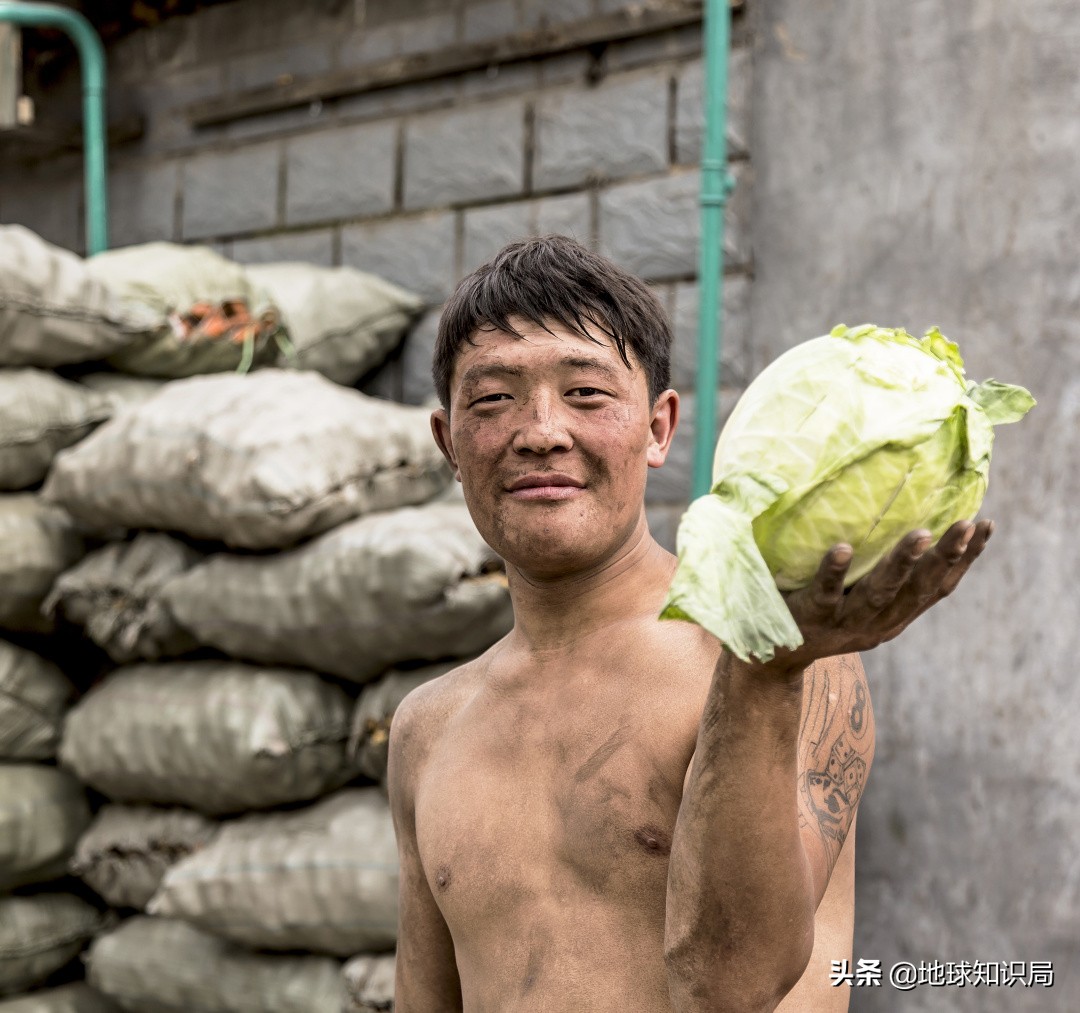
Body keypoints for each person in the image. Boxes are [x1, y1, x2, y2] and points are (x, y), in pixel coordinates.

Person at [387, 235, 992, 1011]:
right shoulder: (428, 728)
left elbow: (729, 984)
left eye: (586, 393)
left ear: (659, 428)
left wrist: (764, 671)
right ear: (449, 443)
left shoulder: (781, 654)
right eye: (493, 400)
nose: (540, 431)